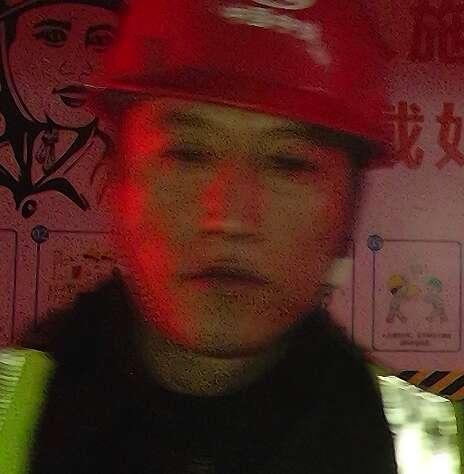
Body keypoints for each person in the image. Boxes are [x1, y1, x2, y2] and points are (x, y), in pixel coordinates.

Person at [5, 0, 398, 473]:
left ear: (350, 207)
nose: (230, 217)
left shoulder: (425, 447)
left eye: (289, 162)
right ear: (114, 180)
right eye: (188, 153)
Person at [0, 0, 122, 217]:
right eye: (53, 36)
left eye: (100, 40)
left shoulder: (118, 179)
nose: (78, 66)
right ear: (6, 44)